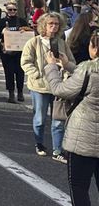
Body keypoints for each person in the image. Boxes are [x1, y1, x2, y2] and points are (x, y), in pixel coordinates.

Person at [43, 32, 98, 205]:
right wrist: (68, 65)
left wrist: (52, 67)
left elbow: (60, 89)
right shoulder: (87, 73)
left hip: (83, 139)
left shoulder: (88, 73)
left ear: (95, 49)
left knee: (79, 186)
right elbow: (86, 78)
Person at [21, 12, 75, 162]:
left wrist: (65, 67)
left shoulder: (61, 43)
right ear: (43, 25)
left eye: (56, 24)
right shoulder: (34, 42)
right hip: (40, 87)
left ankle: (58, 150)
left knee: (58, 120)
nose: (54, 27)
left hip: (58, 86)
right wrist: (38, 74)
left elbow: (71, 61)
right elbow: (25, 62)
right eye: (51, 24)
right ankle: (39, 143)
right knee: (40, 118)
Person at [0, 2, 30, 103]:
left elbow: (29, 32)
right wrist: (2, 31)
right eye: (10, 10)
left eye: (14, 10)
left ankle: (20, 92)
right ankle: (11, 93)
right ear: (6, 11)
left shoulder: (21, 21)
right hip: (6, 51)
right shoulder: (2, 21)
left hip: (19, 51)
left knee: (20, 72)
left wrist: (24, 30)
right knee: (9, 72)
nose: (12, 12)